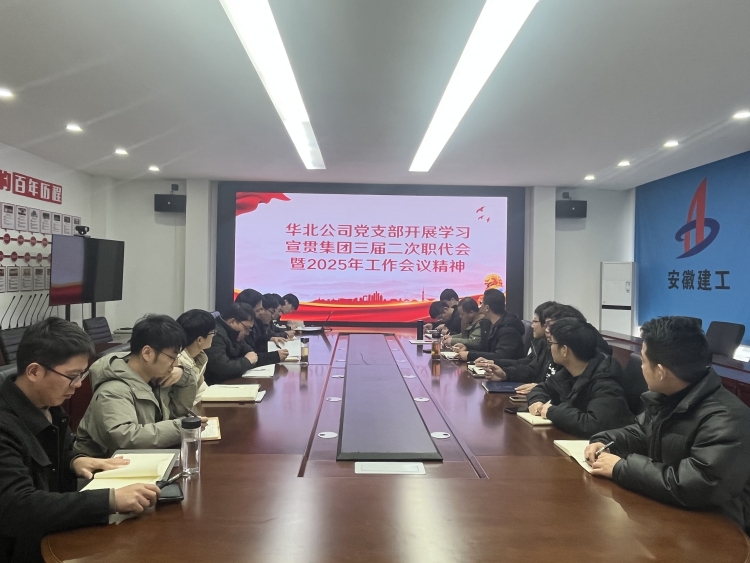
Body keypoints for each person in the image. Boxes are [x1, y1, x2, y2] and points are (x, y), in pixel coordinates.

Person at [0, 318, 160, 562]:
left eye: (82, 374)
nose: (78, 385)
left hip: (53, 535)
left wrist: (75, 459)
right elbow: (17, 506)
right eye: (72, 376)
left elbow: (52, 455)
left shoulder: (48, 405)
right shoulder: (5, 425)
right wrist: (110, 500)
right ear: (34, 371)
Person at [585, 317, 750, 533]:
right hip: (672, 510)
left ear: (661, 372)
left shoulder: (727, 418)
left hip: (718, 527)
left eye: (643, 361)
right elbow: (641, 431)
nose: (641, 367)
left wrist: (621, 468)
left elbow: (698, 484)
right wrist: (606, 441)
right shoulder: (668, 395)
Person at [75, 315, 204, 458]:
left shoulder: (153, 378)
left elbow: (177, 411)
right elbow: (125, 438)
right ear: (147, 353)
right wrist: (183, 427)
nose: (175, 365)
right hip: (105, 466)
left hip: (142, 459)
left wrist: (184, 375)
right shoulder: (113, 390)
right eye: (172, 358)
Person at [526, 317, 634, 437]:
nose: (550, 348)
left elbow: (594, 424)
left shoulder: (606, 380)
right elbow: (542, 388)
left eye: (551, 343)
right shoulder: (570, 370)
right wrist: (537, 401)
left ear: (565, 350)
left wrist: (552, 412)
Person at [480, 301, 555, 384]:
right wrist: (505, 374)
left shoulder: (509, 330)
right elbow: (529, 367)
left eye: (535, 321)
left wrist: (540, 387)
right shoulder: (541, 343)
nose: (532, 325)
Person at [453, 289, 525, 362]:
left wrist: (470, 355)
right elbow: (485, 349)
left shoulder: (509, 330)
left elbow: (500, 356)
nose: (480, 307)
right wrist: (467, 348)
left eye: (482, 303)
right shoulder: (488, 324)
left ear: (487, 308)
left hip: (505, 368)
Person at [204, 303, 264, 384]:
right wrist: (247, 361)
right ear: (232, 322)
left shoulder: (234, 333)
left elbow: (251, 353)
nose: (247, 333)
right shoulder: (215, 334)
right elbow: (222, 369)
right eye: (246, 328)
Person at [175, 309, 216, 405]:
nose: (214, 335)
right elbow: (183, 402)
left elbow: (201, 390)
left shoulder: (199, 357)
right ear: (199, 340)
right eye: (212, 332)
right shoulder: (178, 362)